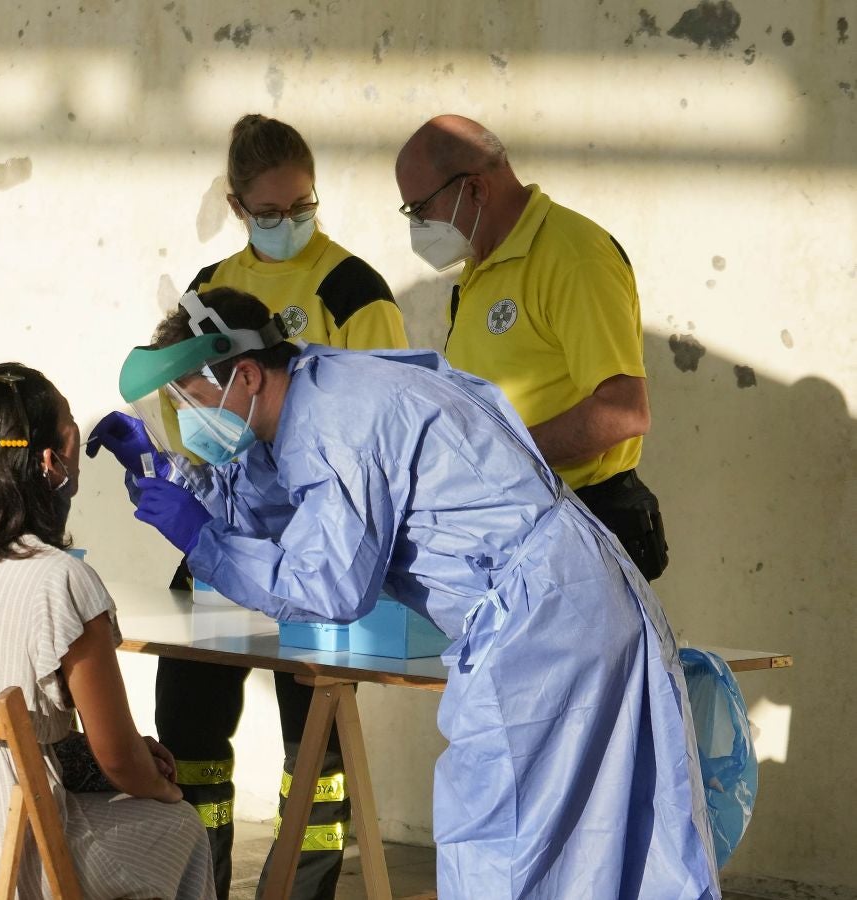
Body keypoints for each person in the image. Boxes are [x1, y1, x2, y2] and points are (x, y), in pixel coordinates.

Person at [95, 288, 720, 899]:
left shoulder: (334, 423)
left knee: (501, 839)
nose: (186, 416)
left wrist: (203, 540)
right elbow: (282, 502)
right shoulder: (322, 386)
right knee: (595, 842)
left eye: (191, 399)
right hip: (568, 598)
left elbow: (328, 586)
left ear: (248, 376)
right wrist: (172, 475)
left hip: (544, 621)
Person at [123, 113, 408, 900]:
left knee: (313, 746)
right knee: (188, 728)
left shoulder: (353, 290)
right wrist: (164, 460)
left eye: (302, 207)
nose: (288, 225)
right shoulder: (209, 289)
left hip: (321, 542)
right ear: (236, 203)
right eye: (269, 212)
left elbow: (375, 425)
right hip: (222, 537)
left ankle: (301, 889)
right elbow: (182, 411)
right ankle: (198, 883)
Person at [0, 363, 215, 900]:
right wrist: (159, 786)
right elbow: (121, 761)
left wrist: (91, 757)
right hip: (8, 865)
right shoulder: (61, 580)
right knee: (179, 828)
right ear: (52, 462)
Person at [394, 114, 670, 581]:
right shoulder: (482, 263)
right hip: (512, 524)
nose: (418, 227)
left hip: (583, 523)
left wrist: (499, 455)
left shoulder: (574, 257)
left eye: (420, 210)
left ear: (476, 190)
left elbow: (624, 412)